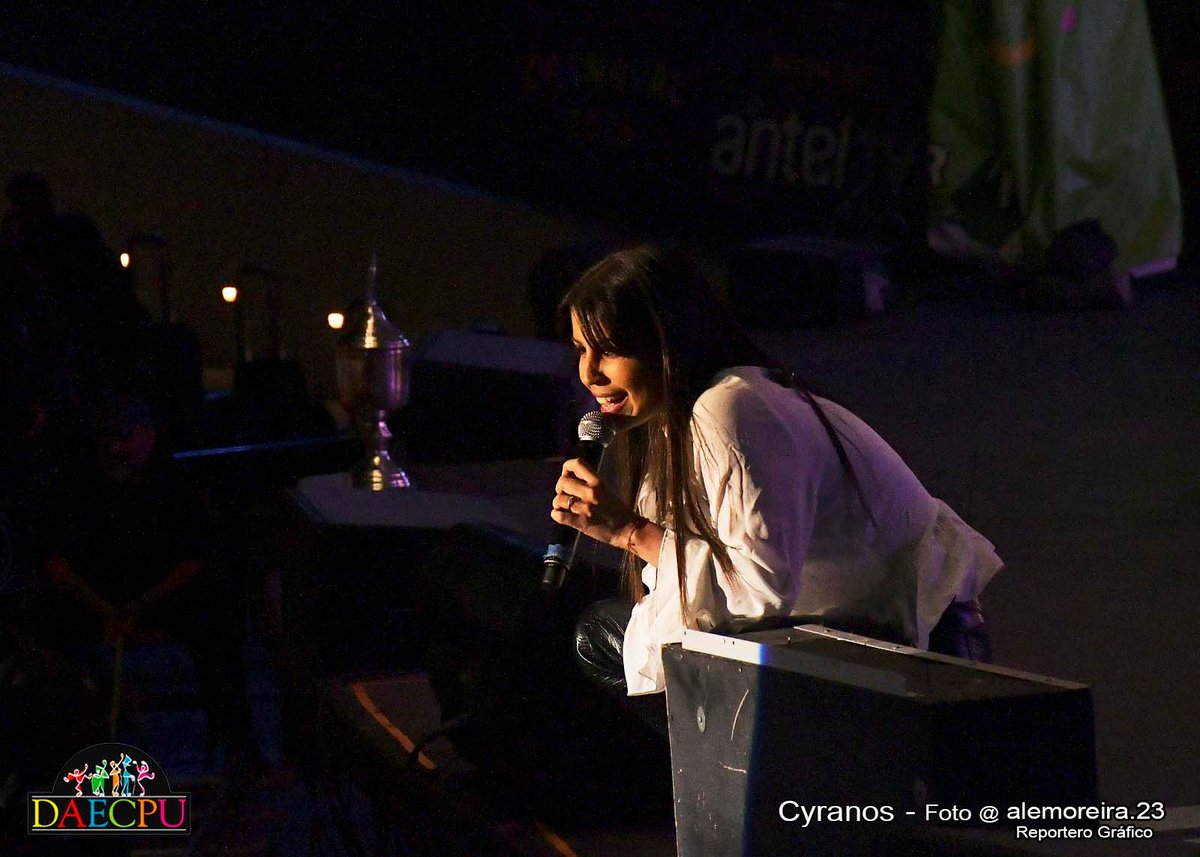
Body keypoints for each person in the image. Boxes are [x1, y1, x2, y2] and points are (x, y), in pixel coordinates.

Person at [549, 245, 1003, 723]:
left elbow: (759, 589)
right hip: (838, 633)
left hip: (917, 648)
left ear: (668, 341)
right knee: (603, 634)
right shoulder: (675, 419)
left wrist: (628, 532)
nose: (589, 373)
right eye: (581, 349)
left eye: (610, 350)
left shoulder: (733, 409)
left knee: (607, 640)